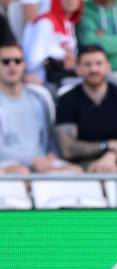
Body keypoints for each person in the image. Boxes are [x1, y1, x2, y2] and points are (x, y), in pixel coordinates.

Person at [55, 45, 117, 172]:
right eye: (87, 64)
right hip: (82, 164)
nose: (94, 69)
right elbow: (68, 149)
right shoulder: (67, 100)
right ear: (78, 69)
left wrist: (111, 155)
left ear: (108, 66)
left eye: (99, 63)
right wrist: (107, 145)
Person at [0, 43, 81, 174]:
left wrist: (52, 155)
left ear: (24, 65)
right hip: (8, 163)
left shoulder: (38, 98)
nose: (12, 65)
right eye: (5, 61)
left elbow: (50, 137)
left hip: (41, 162)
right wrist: (31, 160)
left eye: (17, 61)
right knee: (21, 172)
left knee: (76, 172)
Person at [22, 0, 82, 86]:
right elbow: (32, 60)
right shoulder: (44, 23)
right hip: (43, 80)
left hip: (63, 76)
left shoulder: (68, 23)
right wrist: (63, 54)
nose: (70, 1)